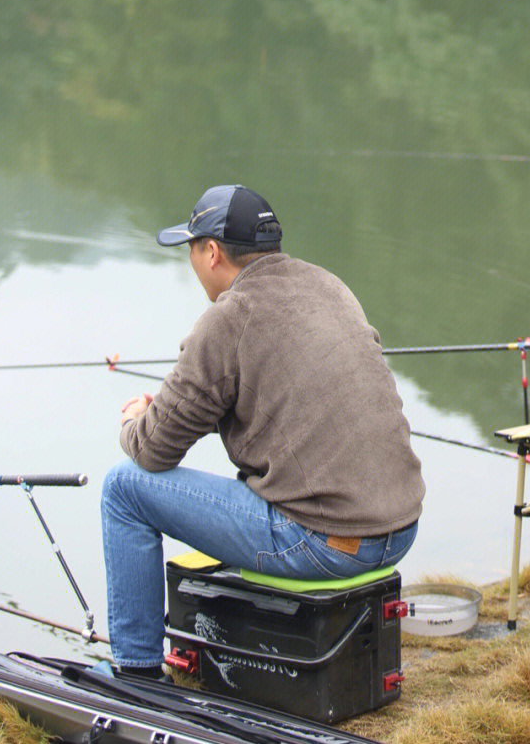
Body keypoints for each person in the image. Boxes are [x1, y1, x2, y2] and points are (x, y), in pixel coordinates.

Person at [100, 184, 425, 679]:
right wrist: (177, 408)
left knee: (123, 490)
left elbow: (152, 450)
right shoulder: (328, 286)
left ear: (211, 252)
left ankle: (135, 673)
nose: (190, 260)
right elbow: (287, 400)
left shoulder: (227, 318)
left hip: (322, 542)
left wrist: (133, 422)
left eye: (190, 247)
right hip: (400, 529)